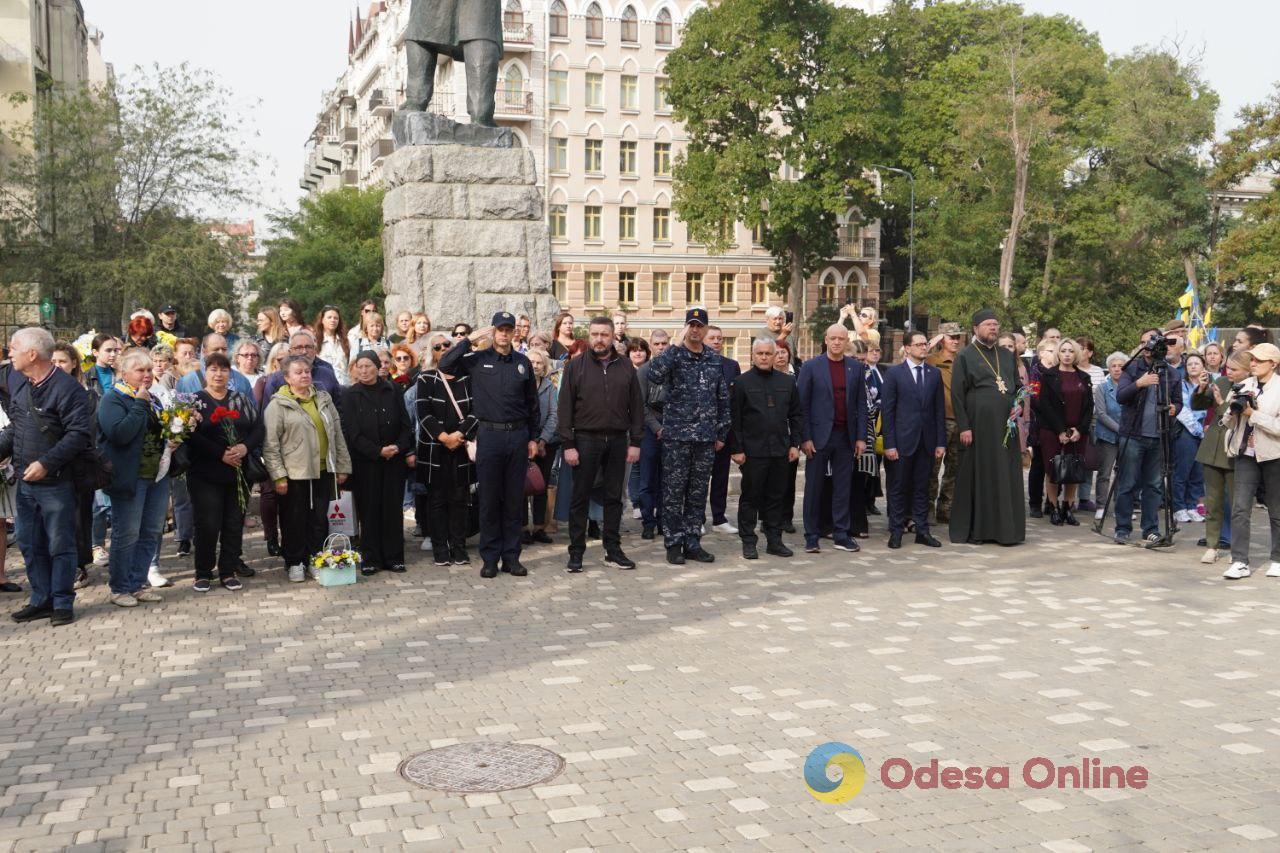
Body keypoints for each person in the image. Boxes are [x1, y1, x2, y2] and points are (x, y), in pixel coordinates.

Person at [438, 312, 540, 578]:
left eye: (509, 329)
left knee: (514, 501)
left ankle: (511, 558)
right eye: (500, 329)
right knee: (489, 500)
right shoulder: (477, 360)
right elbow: (446, 365)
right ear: (493, 332)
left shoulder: (522, 363)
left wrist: (533, 437)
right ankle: (490, 558)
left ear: (515, 332)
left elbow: (532, 404)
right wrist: (469, 340)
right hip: (489, 435)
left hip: (517, 436)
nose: (504, 334)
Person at [2, 328, 92, 626]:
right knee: (29, 542)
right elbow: (16, 429)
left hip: (56, 483)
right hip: (26, 483)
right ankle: (41, 599)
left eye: (13, 347)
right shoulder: (23, 387)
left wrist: (46, 462)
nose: (8, 352)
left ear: (32, 354)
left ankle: (63, 602)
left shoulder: (68, 390)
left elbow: (79, 434)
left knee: (60, 544)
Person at [644, 308, 730, 565]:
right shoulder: (674, 356)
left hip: (705, 439)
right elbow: (654, 374)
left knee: (697, 493)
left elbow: (722, 398)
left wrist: (722, 432)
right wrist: (675, 344)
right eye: (691, 325)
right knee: (673, 493)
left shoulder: (714, 359)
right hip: (677, 438)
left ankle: (693, 542)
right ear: (685, 328)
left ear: (706, 329)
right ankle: (673, 543)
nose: (695, 330)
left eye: (699, 326)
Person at [557, 317, 643, 573]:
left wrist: (635, 442)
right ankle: (576, 553)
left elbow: (637, 407)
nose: (599, 339)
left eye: (604, 334)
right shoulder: (575, 366)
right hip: (585, 440)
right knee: (580, 497)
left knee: (613, 498)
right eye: (594, 334)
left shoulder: (626, 366)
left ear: (611, 336)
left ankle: (612, 550)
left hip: (618, 440)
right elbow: (565, 408)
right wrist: (568, 444)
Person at [97, 347, 176, 609]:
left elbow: (154, 431)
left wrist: (173, 437)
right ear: (124, 373)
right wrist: (140, 403)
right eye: (139, 370)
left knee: (151, 531)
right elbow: (120, 434)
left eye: (149, 370)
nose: (146, 374)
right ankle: (119, 587)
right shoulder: (113, 399)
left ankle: (138, 582)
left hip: (157, 475)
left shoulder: (152, 398)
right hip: (130, 477)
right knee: (127, 532)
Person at [263, 356, 352, 583]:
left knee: (319, 519)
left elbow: (338, 434)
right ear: (287, 378)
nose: (304, 375)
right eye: (298, 372)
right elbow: (271, 445)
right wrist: (278, 476)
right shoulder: (277, 405)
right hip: (294, 473)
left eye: (307, 371)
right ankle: (294, 561)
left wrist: (342, 466)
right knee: (294, 519)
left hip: (323, 469)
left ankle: (316, 558)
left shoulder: (323, 399)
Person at [186, 353, 262, 592]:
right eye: (213, 369)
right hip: (205, 472)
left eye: (223, 369)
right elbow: (190, 435)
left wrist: (244, 447)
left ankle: (227, 570)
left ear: (230, 373)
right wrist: (220, 453)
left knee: (233, 522)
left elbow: (258, 427)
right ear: (205, 373)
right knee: (207, 523)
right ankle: (203, 572)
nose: (218, 374)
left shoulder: (240, 399)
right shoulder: (194, 401)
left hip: (238, 472)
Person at [949, 310, 1026, 545]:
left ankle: (1006, 530)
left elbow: (1017, 387)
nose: (993, 327)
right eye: (987, 324)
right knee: (981, 474)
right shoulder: (965, 355)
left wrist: (1018, 405)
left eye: (995, 324)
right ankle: (980, 530)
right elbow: (957, 394)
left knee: (1005, 473)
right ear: (975, 328)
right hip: (978, 427)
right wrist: (964, 426)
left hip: (1005, 426)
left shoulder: (1006, 354)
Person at [341, 351, 415, 575]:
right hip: (366, 462)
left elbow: (405, 425)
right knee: (369, 509)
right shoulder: (350, 395)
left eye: (368, 366)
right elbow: (352, 433)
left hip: (393, 460)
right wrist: (377, 451)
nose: (363, 371)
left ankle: (394, 557)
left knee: (392, 510)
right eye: (359, 366)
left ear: (377, 367)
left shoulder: (392, 390)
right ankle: (370, 558)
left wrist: (398, 447)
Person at [729, 337, 803, 559]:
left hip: (780, 450)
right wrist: (737, 449)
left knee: (776, 497)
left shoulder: (787, 382)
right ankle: (749, 541)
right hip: (753, 452)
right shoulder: (741, 383)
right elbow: (735, 420)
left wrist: (795, 444)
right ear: (753, 355)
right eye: (759, 353)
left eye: (767, 353)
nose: (763, 357)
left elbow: (796, 415)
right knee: (751, 497)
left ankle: (774, 540)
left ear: (774, 355)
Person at [797, 323, 868, 554]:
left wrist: (861, 437)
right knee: (814, 487)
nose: (837, 342)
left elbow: (860, 405)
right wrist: (805, 438)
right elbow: (802, 406)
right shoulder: (811, 367)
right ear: (825, 340)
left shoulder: (855, 368)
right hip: (818, 437)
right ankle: (811, 535)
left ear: (847, 341)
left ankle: (841, 533)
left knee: (842, 488)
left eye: (841, 339)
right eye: (833, 338)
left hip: (845, 437)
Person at [1112, 329, 1184, 545]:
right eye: (1143, 343)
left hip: (1159, 437)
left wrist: (1174, 408)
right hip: (1133, 435)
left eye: (1151, 343)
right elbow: (1121, 397)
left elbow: (1179, 402)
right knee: (1127, 484)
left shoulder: (1171, 373)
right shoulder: (1133, 368)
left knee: (1154, 486)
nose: (1147, 347)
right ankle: (1122, 528)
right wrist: (1139, 384)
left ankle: (1150, 529)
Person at [881, 330, 946, 549]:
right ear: (907, 348)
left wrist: (940, 442)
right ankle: (896, 530)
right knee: (899, 487)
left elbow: (938, 411)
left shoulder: (934, 374)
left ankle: (922, 530)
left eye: (925, 344)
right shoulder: (894, 374)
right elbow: (887, 411)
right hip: (901, 442)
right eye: (918, 344)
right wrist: (889, 443)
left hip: (926, 442)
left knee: (922, 488)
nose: (923, 347)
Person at [1221, 342, 1280, 580]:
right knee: (1240, 508)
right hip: (1245, 453)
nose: (1252, 363)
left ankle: (1277, 558)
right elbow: (1227, 422)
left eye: (1258, 360)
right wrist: (1232, 413)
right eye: (1252, 359)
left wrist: (1252, 414)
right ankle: (1239, 561)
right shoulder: (1243, 385)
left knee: (1276, 510)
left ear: (1273, 363)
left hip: (1274, 455)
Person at [415, 346, 478, 566]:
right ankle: (440, 548)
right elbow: (423, 412)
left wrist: (459, 435)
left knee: (460, 500)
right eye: (438, 347)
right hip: (435, 448)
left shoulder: (467, 378)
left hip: (461, 446)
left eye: (447, 347)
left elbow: (476, 411)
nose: (443, 350)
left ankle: (459, 548)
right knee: (437, 500)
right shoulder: (426, 378)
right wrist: (444, 437)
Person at [1032, 338, 1093, 527]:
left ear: (1076, 354)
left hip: (1077, 433)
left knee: (1073, 469)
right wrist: (1060, 430)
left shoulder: (1084, 377)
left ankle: (1067, 507)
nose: (1067, 354)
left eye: (1071, 351)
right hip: (1052, 431)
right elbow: (1045, 406)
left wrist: (1079, 430)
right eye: (1063, 351)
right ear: (1058, 353)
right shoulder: (1048, 376)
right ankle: (1054, 507)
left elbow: (1088, 407)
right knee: (1053, 470)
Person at [1194, 350, 1246, 565]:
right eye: (1229, 368)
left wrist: (1221, 402)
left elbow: (1236, 416)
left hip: (1235, 451)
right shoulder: (1222, 381)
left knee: (1237, 504)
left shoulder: (1250, 388)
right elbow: (1197, 405)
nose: (1229, 373)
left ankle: (1237, 548)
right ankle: (1212, 545)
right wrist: (1202, 388)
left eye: (1235, 369)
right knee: (1213, 501)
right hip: (1212, 448)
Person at [704, 325, 741, 535]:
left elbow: (734, 401)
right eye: (712, 338)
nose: (717, 341)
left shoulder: (731, 365)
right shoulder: (696, 362)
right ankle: (697, 519)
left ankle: (719, 518)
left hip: (724, 430)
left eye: (719, 338)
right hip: (700, 431)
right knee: (698, 480)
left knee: (720, 477)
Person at [926, 322, 962, 523]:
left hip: (960, 420)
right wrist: (931, 345)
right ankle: (928, 508)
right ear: (942, 340)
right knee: (932, 468)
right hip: (938, 421)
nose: (955, 341)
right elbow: (907, 362)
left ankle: (946, 508)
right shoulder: (931, 360)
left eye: (957, 337)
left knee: (954, 469)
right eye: (951, 337)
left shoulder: (963, 360)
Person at [635, 330, 669, 540]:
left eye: (664, 343)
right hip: (649, 429)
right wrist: (657, 428)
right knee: (647, 479)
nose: (661, 347)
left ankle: (665, 521)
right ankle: (648, 521)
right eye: (657, 343)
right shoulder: (644, 371)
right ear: (651, 346)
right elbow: (640, 405)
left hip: (673, 428)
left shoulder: (675, 370)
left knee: (668, 480)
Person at [525, 348, 559, 545]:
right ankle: (521, 527)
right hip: (522, 443)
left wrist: (542, 441)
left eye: (539, 363)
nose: (535, 366)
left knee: (540, 486)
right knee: (520, 486)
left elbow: (555, 415)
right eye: (531, 362)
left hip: (547, 444)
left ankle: (539, 527)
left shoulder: (550, 387)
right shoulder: (519, 385)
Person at [1173, 352, 1209, 524]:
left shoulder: (1210, 384)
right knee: (1182, 470)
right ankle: (1179, 507)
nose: (1193, 366)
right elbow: (1182, 409)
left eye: (1197, 363)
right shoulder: (1181, 385)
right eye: (1189, 364)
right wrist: (1197, 429)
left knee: (1198, 472)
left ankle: (1192, 506)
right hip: (1186, 430)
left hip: (1206, 429)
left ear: (1203, 366)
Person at [258, 331, 343, 403]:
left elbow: (339, 406)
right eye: (299, 347)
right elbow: (268, 413)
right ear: (290, 352)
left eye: (308, 347)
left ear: (314, 350)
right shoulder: (277, 379)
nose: (304, 351)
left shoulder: (327, 374)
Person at [1091, 352, 1126, 521]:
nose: (1117, 369)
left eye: (1121, 366)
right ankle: (1101, 505)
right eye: (1114, 366)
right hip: (1107, 435)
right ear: (1109, 368)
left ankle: (1121, 506)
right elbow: (1101, 413)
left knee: (1123, 473)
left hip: (1128, 436)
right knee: (1105, 472)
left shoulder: (1131, 386)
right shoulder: (1102, 388)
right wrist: (1119, 429)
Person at [773, 338, 800, 533]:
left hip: (790, 435)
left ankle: (786, 518)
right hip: (769, 436)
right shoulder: (765, 375)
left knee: (788, 480)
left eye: (783, 352)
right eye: (776, 352)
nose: (780, 356)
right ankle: (769, 517)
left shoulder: (797, 375)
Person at [176, 334, 255, 398]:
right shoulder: (187, 382)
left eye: (224, 349)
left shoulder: (241, 380)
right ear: (204, 352)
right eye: (216, 349)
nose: (220, 353)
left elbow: (252, 412)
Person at [314, 305, 351, 385]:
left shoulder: (346, 341)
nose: (333, 320)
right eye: (329, 317)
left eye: (335, 318)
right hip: (323, 386)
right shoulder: (315, 341)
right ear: (322, 320)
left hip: (344, 385)